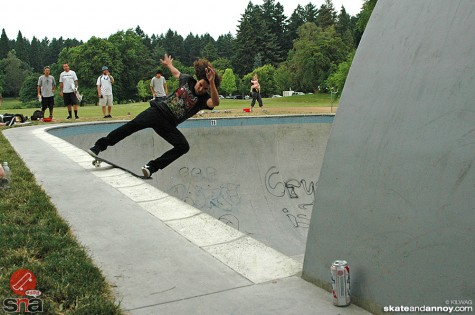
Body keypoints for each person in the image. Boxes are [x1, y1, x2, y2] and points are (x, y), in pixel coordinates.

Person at [87, 54, 220, 178]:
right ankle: (98, 146)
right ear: (198, 80)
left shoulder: (204, 99)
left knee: (183, 146)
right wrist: (168, 64)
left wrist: (211, 82)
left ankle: (151, 167)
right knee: (130, 127)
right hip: (156, 112)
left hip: (168, 125)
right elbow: (176, 73)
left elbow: (215, 102)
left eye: (205, 89)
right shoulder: (187, 80)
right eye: (201, 85)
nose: (201, 89)